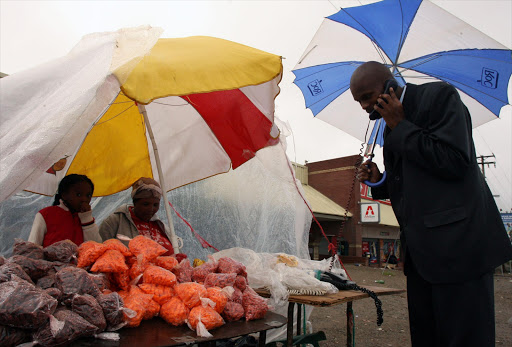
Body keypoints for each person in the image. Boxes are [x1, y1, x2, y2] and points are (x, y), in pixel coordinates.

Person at [351, 61, 512, 347]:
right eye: (358, 100)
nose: (363, 106)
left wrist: (402, 125)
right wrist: (380, 180)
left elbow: (454, 163)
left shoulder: (439, 98)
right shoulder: (390, 129)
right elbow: (412, 180)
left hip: (460, 250)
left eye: (366, 96)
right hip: (421, 256)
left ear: (389, 86)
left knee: (464, 338)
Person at [99, 177, 175, 255]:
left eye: (155, 205)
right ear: (135, 202)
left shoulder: (162, 227)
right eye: (145, 204)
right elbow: (99, 252)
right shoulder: (114, 222)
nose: (151, 209)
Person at [28, 174, 101, 247]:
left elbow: (96, 246)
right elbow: (32, 246)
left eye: (88, 196)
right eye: (78, 195)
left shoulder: (87, 219)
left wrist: (86, 218)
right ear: (64, 195)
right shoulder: (46, 214)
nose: (84, 199)